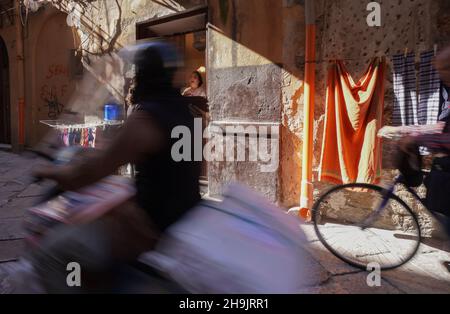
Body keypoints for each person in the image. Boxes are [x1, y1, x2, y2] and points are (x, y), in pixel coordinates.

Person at [26, 41, 201, 293]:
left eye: (135, 75)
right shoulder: (189, 114)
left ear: (143, 75)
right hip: (183, 219)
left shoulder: (146, 117)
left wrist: (48, 171)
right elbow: (172, 172)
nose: (132, 82)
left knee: (53, 254)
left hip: (151, 231)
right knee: (114, 207)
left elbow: (85, 175)